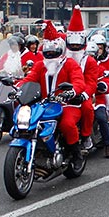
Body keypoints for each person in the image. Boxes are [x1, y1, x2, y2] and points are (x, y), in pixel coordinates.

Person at [18, 21, 87, 170]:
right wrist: (17, 88)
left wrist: (71, 92)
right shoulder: (40, 65)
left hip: (67, 103)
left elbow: (79, 82)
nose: (50, 52)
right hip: (43, 104)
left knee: (67, 124)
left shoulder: (69, 64)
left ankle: (76, 155)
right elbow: (29, 79)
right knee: (24, 122)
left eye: (53, 48)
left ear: (60, 48)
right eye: (47, 48)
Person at [65, 6, 97, 153]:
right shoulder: (61, 58)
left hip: (82, 94)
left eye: (78, 42)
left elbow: (91, 81)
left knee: (87, 108)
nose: (75, 45)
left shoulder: (88, 61)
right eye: (73, 42)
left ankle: (85, 135)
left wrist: (84, 94)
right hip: (62, 94)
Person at [89, 33, 109, 155]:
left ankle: (108, 144)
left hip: (98, 98)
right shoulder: (78, 66)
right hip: (82, 99)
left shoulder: (100, 67)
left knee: (101, 117)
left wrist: (103, 86)